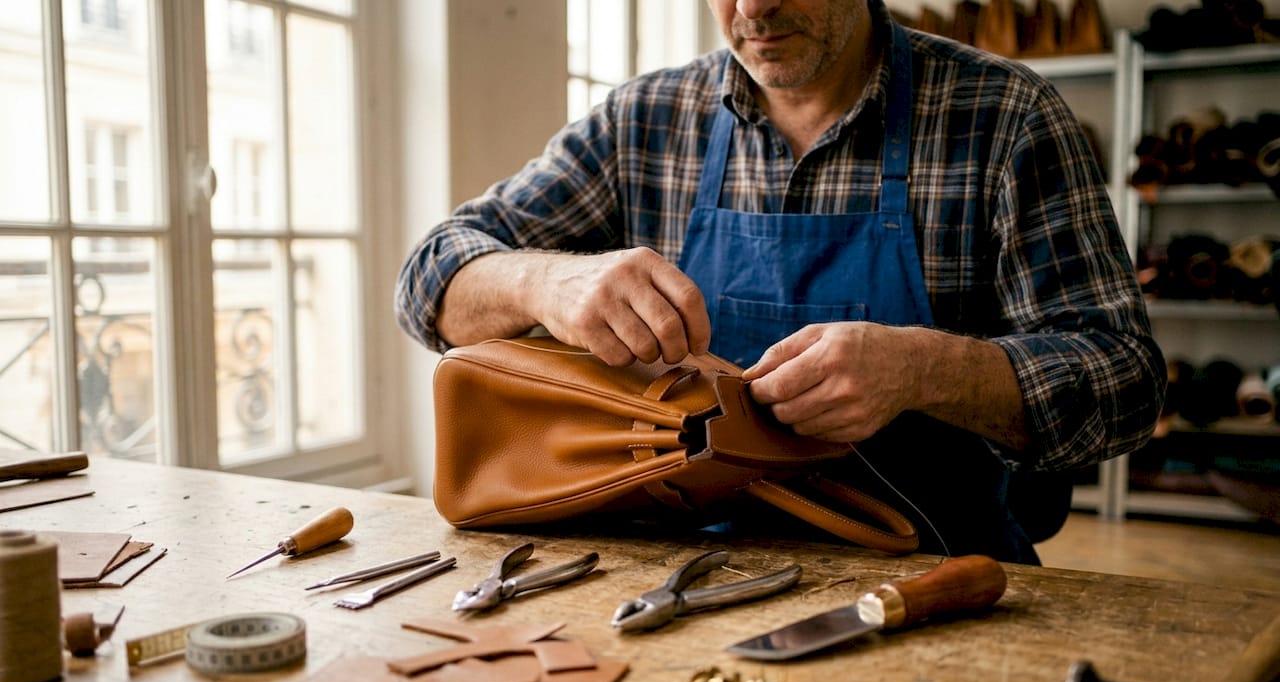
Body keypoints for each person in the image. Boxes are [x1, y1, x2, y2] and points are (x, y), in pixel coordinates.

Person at [395, 0, 1166, 564]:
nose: (753, 9)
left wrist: (924, 370)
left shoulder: (1004, 118)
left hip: (934, 573)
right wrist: (546, 285)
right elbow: (428, 280)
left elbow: (1126, 383)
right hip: (678, 570)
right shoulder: (644, 122)